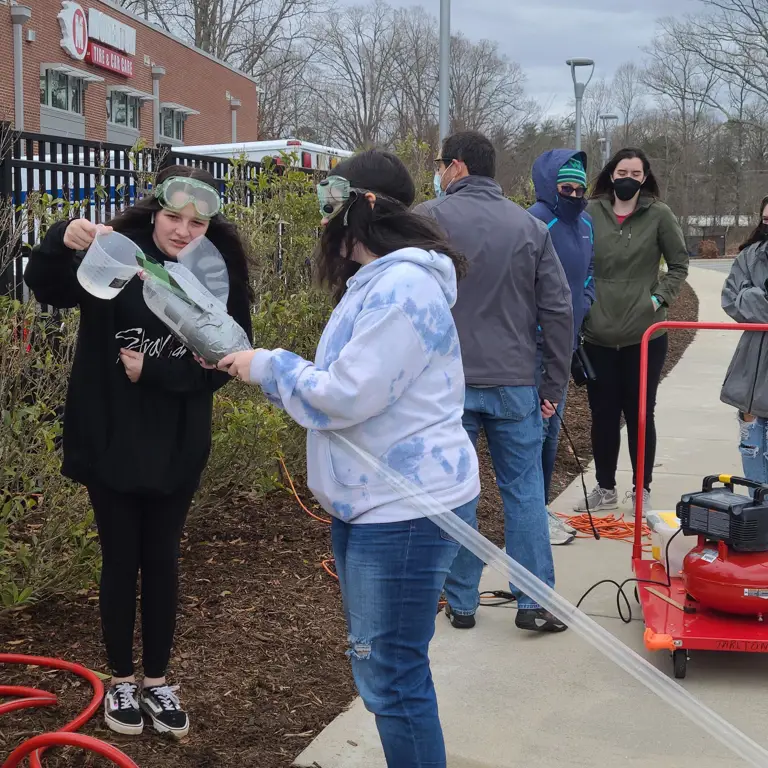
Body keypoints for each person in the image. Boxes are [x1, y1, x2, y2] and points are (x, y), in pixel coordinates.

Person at [218, 150, 480, 768]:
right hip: (378, 504)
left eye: (331, 198)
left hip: (405, 512)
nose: (323, 214)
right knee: (386, 670)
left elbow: (347, 394)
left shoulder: (403, 287)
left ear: (363, 206)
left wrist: (268, 365)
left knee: (392, 678)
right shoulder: (382, 281)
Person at [24, 166, 253, 739]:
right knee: (120, 559)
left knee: (163, 561)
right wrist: (61, 238)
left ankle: (157, 680)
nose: (183, 231)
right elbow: (47, 287)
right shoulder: (114, 259)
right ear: (154, 211)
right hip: (110, 439)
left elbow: (231, 358)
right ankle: (121, 679)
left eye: (196, 223)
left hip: (177, 440)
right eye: (173, 217)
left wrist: (157, 371)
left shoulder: (216, 273)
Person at [415, 130, 573, 632]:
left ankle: (461, 602)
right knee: (524, 492)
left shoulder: (425, 220)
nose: (438, 173)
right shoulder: (529, 227)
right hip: (514, 382)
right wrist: (552, 386)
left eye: (441, 164)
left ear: (457, 167)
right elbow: (559, 310)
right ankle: (533, 602)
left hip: (447, 384)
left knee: (458, 491)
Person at [576, 148, 689, 516]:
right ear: (611, 174)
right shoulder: (591, 212)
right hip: (599, 334)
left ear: (644, 178)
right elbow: (576, 259)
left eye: (635, 172)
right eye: (621, 170)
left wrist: (658, 299)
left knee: (641, 413)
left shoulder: (659, 215)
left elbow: (679, 264)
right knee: (603, 414)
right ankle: (605, 487)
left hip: (645, 336)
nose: (628, 177)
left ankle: (642, 489)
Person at [528, 150, 595, 545]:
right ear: (550, 186)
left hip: (565, 345)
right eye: (565, 187)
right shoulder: (535, 220)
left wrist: (583, 304)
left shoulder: (587, 224)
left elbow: (589, 273)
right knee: (534, 430)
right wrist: (540, 321)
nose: (572, 193)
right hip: (535, 345)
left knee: (551, 431)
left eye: (578, 188)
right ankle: (531, 513)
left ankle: (540, 508)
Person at [721, 195, 768, 483]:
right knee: (751, 447)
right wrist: (757, 298)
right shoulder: (750, 256)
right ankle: (759, 515)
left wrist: (752, 296)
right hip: (751, 367)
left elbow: (745, 300)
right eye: (765, 221)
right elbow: (730, 300)